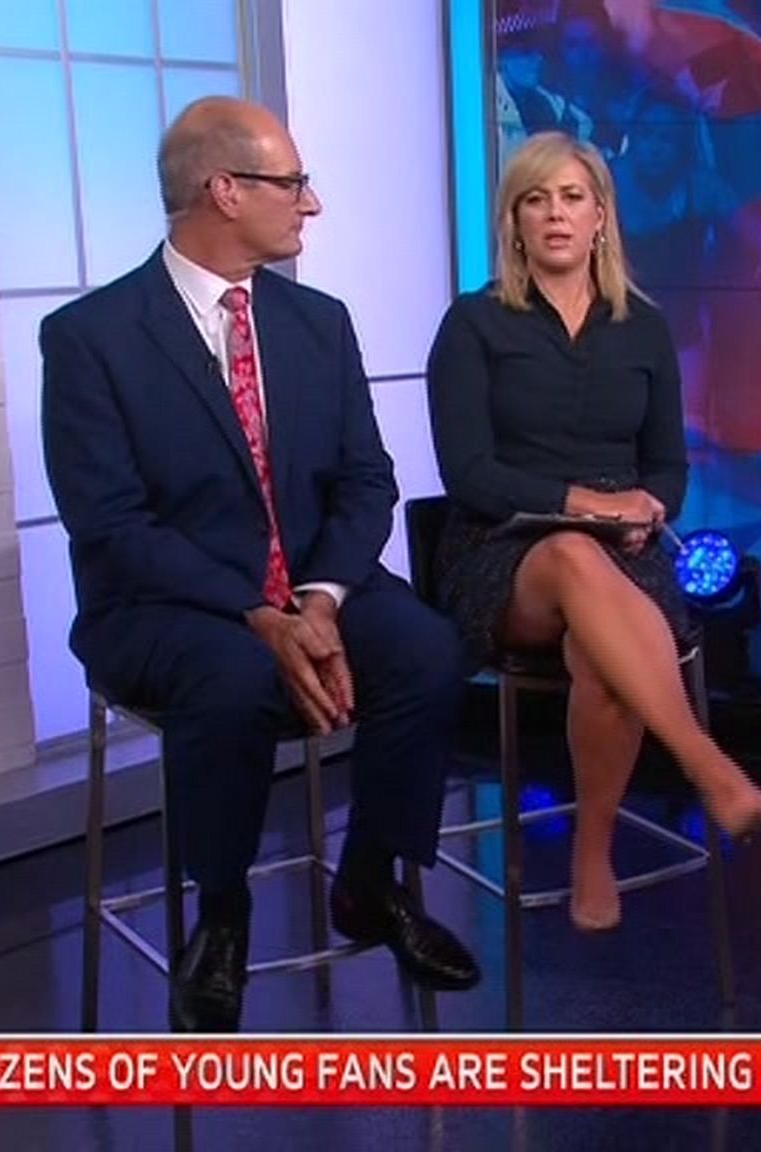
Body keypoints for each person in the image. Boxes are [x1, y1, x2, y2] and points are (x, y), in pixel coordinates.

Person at [40, 97, 481, 1031]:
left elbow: (367, 479)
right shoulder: (90, 338)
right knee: (234, 679)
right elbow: (110, 524)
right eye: (293, 183)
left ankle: (369, 881)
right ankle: (223, 912)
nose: (311, 204)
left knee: (426, 650)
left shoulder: (319, 322)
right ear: (224, 191)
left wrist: (316, 601)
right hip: (165, 603)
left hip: (312, 583)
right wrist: (257, 610)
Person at [424, 131, 761, 934]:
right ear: (514, 222)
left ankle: (593, 853)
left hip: (628, 548)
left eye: (572, 198)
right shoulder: (474, 324)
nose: (555, 214)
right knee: (573, 553)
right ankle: (707, 766)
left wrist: (649, 507)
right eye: (536, 200)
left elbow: (669, 470)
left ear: (600, 218)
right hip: (503, 547)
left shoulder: (642, 327)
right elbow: (467, 472)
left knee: (604, 660)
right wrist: (583, 503)